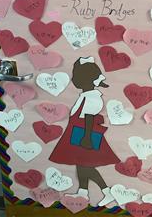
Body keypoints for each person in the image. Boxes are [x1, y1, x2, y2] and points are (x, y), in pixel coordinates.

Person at [49, 56, 120, 206]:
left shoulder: (92, 97)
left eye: (78, 77)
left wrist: (87, 137)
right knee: (80, 164)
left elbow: (89, 117)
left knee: (86, 166)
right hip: (77, 133)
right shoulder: (85, 95)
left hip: (84, 135)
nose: (75, 80)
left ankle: (107, 191)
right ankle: (83, 192)